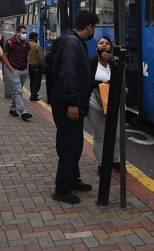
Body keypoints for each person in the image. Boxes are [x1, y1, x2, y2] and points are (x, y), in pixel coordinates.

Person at [50, 10, 99, 204]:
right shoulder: (72, 43)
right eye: (94, 27)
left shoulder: (73, 41)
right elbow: (68, 73)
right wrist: (71, 102)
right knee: (69, 145)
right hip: (67, 104)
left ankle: (72, 179)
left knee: (75, 143)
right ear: (89, 27)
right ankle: (61, 189)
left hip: (72, 102)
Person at [86, 35, 120, 174]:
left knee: (116, 135)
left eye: (107, 43)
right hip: (95, 104)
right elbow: (85, 81)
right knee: (99, 136)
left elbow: (124, 75)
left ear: (111, 48)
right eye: (101, 43)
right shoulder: (91, 62)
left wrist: (111, 60)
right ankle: (101, 164)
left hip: (112, 103)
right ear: (96, 48)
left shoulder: (115, 62)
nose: (104, 45)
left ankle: (115, 161)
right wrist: (101, 84)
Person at [1, 25, 32, 121]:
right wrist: (10, 68)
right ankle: (23, 111)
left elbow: (28, 55)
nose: (25, 34)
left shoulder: (26, 43)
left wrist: (27, 67)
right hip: (14, 70)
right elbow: (4, 55)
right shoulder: (10, 42)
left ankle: (12, 109)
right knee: (18, 90)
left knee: (17, 90)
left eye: (25, 33)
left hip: (23, 70)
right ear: (18, 33)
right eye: (23, 33)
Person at [27, 32, 46, 101]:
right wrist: (44, 66)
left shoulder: (26, 44)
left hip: (29, 66)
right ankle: (33, 96)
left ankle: (32, 94)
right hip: (36, 66)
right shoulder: (36, 46)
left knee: (32, 81)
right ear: (35, 37)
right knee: (37, 82)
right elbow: (41, 58)